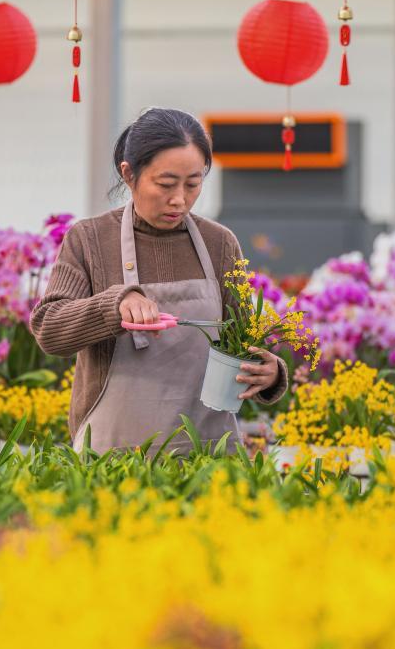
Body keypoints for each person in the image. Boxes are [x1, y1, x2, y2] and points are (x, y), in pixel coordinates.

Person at [30, 108, 287, 453]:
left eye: (193, 184)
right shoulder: (89, 240)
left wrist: (269, 373)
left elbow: (244, 343)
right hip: (114, 459)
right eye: (165, 185)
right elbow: (50, 330)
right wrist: (114, 304)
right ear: (129, 173)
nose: (179, 199)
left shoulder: (219, 243)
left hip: (206, 456)